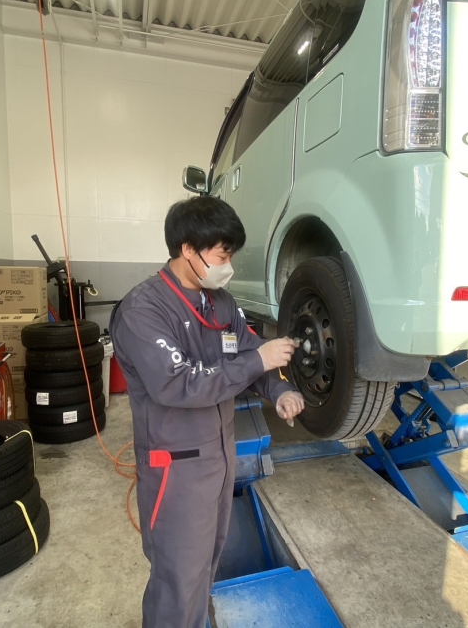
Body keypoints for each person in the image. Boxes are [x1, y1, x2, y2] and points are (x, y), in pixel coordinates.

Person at [112, 195, 305, 628]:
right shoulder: (144, 310)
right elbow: (177, 383)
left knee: (206, 565)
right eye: (222, 255)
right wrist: (258, 362)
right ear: (188, 249)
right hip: (176, 469)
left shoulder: (221, 303)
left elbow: (249, 354)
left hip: (219, 458)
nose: (227, 265)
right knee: (178, 579)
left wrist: (278, 389)